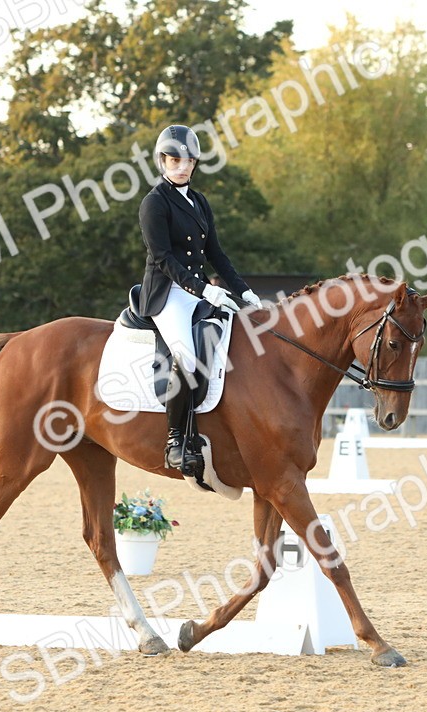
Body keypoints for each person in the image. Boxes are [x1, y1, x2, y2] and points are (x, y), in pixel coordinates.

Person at [136, 124, 264, 476]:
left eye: (188, 160)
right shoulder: (154, 203)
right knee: (188, 357)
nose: (181, 166)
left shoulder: (199, 201)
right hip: (167, 294)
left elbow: (216, 254)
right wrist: (205, 289)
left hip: (196, 290)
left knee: (228, 340)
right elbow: (163, 258)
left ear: (195, 163)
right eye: (174, 159)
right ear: (162, 161)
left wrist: (245, 291)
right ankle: (175, 441)